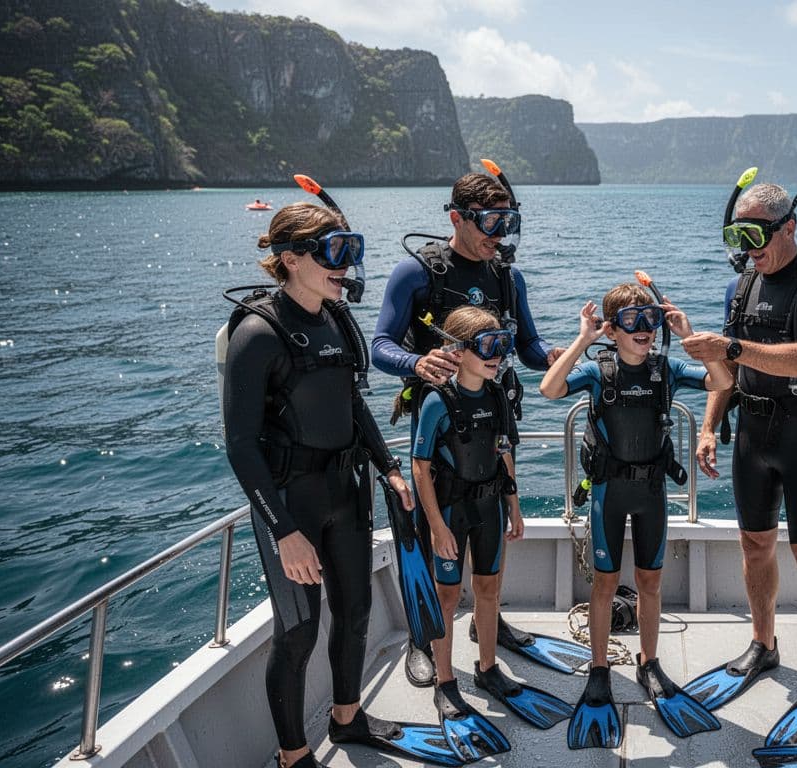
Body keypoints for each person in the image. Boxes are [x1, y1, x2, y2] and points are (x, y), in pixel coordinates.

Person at [222, 202, 417, 768]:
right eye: (335, 253)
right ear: (290, 259)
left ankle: (347, 719)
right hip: (292, 506)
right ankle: (293, 754)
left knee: (355, 613)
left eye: (351, 249)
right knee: (299, 632)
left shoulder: (336, 319)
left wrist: (389, 467)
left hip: (348, 492)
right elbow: (241, 446)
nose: (347, 266)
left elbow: (352, 403)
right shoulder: (258, 333)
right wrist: (284, 532)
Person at [371, 171, 566, 686]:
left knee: (489, 541)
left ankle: (489, 626)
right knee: (440, 549)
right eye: (490, 222)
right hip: (441, 430)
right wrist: (417, 363)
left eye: (508, 221)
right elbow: (380, 347)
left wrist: (557, 356)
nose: (499, 233)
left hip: (495, 422)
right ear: (457, 218)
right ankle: (424, 641)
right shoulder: (416, 274)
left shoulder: (508, 276)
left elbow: (527, 346)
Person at [680, 180, 797, 745]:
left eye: (756, 233)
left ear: (789, 227)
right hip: (753, 435)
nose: (748, 245)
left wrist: (730, 348)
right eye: (739, 234)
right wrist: (708, 427)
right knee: (753, 544)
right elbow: (724, 373)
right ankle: (763, 644)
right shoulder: (741, 286)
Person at [539, 284, 732, 747]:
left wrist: (689, 338)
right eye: (631, 321)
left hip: (651, 493)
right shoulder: (597, 371)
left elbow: (723, 382)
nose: (644, 329)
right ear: (613, 328)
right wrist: (584, 339)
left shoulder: (667, 369)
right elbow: (550, 390)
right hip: (609, 491)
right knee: (605, 584)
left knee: (650, 582)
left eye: (650, 319)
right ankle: (600, 668)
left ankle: (649, 663)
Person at [411, 305, 567, 759]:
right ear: (458, 352)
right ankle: (445, 680)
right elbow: (421, 468)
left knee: (489, 590)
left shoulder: (498, 396)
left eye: (502, 346)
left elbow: (503, 450)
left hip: (490, 507)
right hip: (451, 513)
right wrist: (437, 525)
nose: (498, 355)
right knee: (445, 595)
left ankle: (487, 667)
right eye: (488, 347)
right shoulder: (438, 400)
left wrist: (514, 505)